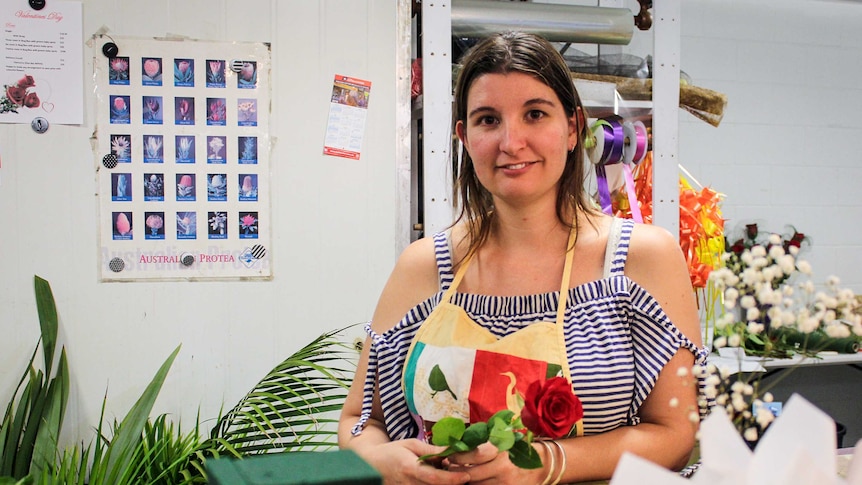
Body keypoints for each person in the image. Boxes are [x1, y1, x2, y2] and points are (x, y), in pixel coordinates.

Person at [338, 31, 706, 484]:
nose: (511, 142)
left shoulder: (639, 259)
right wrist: (382, 462)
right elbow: (359, 422)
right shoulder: (423, 267)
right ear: (464, 137)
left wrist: (545, 465)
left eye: (535, 114)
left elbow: (675, 434)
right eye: (488, 120)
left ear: (573, 128)